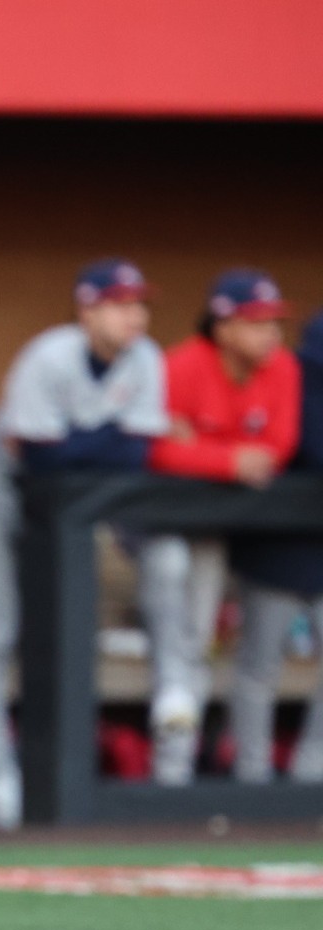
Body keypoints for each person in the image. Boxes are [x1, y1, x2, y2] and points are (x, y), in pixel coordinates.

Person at [0, 259, 167, 827]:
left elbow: (138, 453)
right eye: (120, 304)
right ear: (87, 309)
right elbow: (41, 456)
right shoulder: (49, 356)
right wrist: (102, 442)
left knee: (62, 633)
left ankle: (55, 773)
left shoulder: (147, 360)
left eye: (139, 304)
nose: (134, 316)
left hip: (71, 504)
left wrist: (83, 445)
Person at [140, 269, 299, 784]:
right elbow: (156, 448)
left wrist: (202, 451)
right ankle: (171, 772)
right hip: (170, 522)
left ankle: (180, 771)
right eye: (256, 322)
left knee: (204, 643)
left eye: (274, 321)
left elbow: (278, 446)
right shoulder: (181, 365)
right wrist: (229, 462)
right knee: (179, 606)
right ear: (224, 326)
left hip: (228, 527)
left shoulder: (283, 369)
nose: (270, 333)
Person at [227, 309, 323, 784]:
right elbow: (307, 445)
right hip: (278, 546)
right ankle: (251, 777)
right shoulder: (292, 370)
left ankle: (313, 776)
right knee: (259, 667)